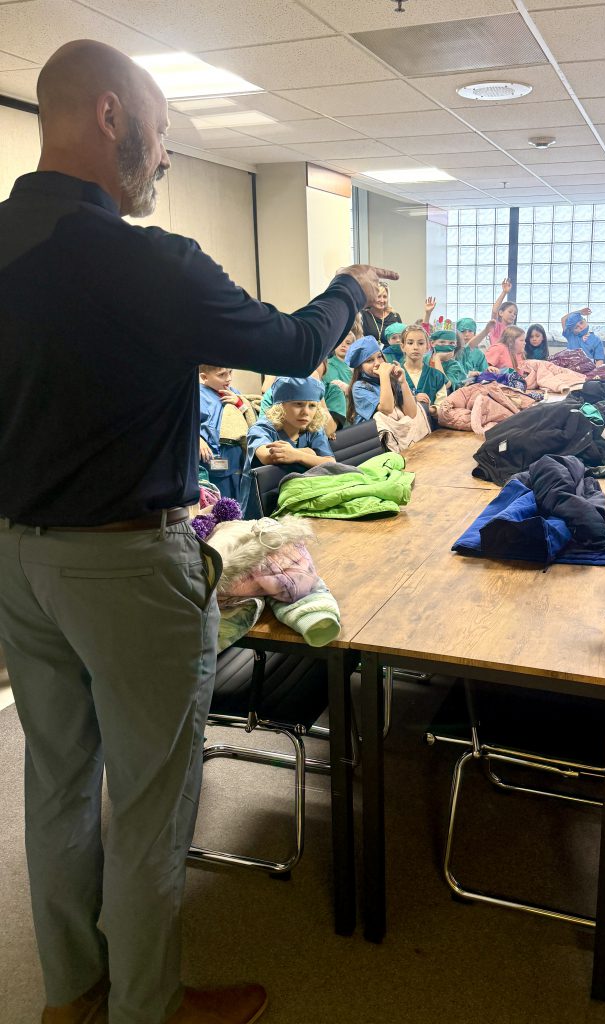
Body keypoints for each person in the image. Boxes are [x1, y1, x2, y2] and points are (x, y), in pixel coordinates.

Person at [0, 37, 398, 1024]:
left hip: (18, 556)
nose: (164, 153)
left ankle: (72, 994)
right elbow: (295, 341)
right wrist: (350, 286)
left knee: (55, 783)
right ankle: (147, 1006)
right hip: (125, 563)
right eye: (162, 129)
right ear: (106, 114)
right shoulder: (145, 263)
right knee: (148, 800)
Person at [198, 365, 250, 499]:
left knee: (237, 501)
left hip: (235, 458)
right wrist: (197, 439)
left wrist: (239, 403)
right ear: (204, 377)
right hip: (210, 458)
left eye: (230, 372)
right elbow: (184, 422)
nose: (229, 378)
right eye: (221, 375)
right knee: (215, 501)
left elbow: (250, 420)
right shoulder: (197, 394)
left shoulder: (233, 393)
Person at [345, 335, 415, 424]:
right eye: (369, 360)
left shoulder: (392, 380)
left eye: (379, 356)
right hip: (372, 436)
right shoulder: (359, 387)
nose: (377, 363)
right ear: (360, 368)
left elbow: (411, 414)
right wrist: (384, 375)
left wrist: (403, 382)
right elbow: (387, 409)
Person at [397, 325, 449, 411]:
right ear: (402, 347)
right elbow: (391, 405)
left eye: (421, 343)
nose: (415, 347)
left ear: (427, 347)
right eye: (410, 343)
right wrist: (413, 400)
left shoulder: (437, 376)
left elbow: (442, 407)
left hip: (429, 422)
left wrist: (430, 409)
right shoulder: (394, 375)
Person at [323, 330, 354, 429]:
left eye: (348, 343)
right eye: (340, 342)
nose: (344, 345)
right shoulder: (328, 365)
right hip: (341, 412)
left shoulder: (358, 366)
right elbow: (334, 387)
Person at [487, 277, 518, 346]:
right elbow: (494, 311)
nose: (513, 315)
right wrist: (504, 292)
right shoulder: (496, 326)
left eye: (515, 314)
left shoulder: (514, 331)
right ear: (501, 313)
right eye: (510, 312)